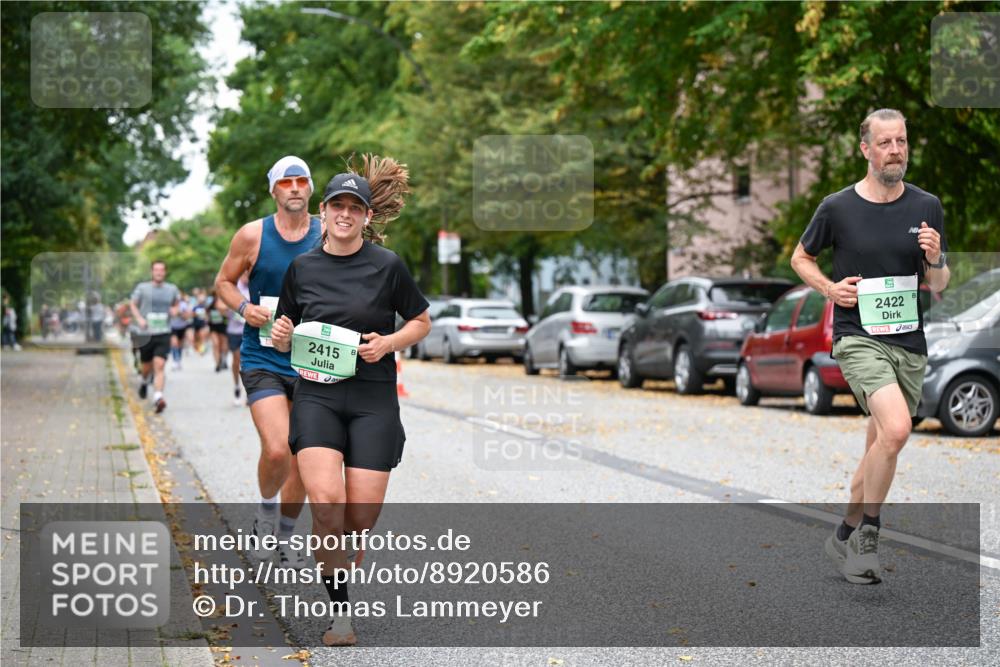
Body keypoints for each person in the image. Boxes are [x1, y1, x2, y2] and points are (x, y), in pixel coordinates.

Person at [271, 164, 429, 646]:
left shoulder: (388, 266)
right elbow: (284, 333)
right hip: (317, 395)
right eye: (337, 205)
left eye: (354, 208)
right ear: (323, 213)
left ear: (366, 217)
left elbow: (421, 321)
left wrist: (389, 343)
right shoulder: (302, 268)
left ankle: (346, 544)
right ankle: (341, 614)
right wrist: (281, 336)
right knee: (326, 504)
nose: (344, 214)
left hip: (372, 397)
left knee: (359, 516)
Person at [791, 108, 949, 584]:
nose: (895, 150)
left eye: (901, 141)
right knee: (898, 430)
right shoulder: (837, 207)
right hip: (858, 337)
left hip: (908, 342)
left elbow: (939, 283)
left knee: (880, 446)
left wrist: (937, 256)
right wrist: (830, 289)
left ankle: (840, 536)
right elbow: (801, 258)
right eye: (885, 143)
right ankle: (867, 540)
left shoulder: (927, 205)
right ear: (865, 149)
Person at [214, 155, 321, 570]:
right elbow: (222, 282)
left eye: (301, 181)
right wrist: (244, 307)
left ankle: (288, 535)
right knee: (278, 450)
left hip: (312, 360)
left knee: (303, 456)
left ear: (310, 188)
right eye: (285, 182)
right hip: (264, 358)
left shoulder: (328, 232)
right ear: (273, 190)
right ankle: (265, 514)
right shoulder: (252, 235)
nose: (294, 188)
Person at [130, 260, 181, 414]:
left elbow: (178, 303)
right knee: (146, 367)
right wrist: (139, 319)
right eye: (156, 270)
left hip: (164, 332)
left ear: (165, 272)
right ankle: (145, 382)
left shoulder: (171, 289)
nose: (159, 272)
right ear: (152, 272)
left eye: (161, 270)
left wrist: (175, 310)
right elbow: (133, 304)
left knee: (159, 365)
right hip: (145, 334)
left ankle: (158, 397)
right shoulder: (142, 288)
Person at [225, 273, 250, 405]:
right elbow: (221, 304)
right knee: (236, 361)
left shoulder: (253, 286)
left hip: (249, 331)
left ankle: (249, 393)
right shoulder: (233, 287)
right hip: (234, 331)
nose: (246, 274)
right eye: (244, 272)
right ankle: (236, 385)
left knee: (246, 362)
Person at [207, 288, 230, 372]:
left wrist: (223, 311)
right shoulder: (210, 302)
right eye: (215, 294)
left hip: (223, 325)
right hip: (213, 326)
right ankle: (217, 364)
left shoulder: (226, 301)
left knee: (224, 345)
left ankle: (223, 359)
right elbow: (207, 313)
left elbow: (229, 314)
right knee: (216, 344)